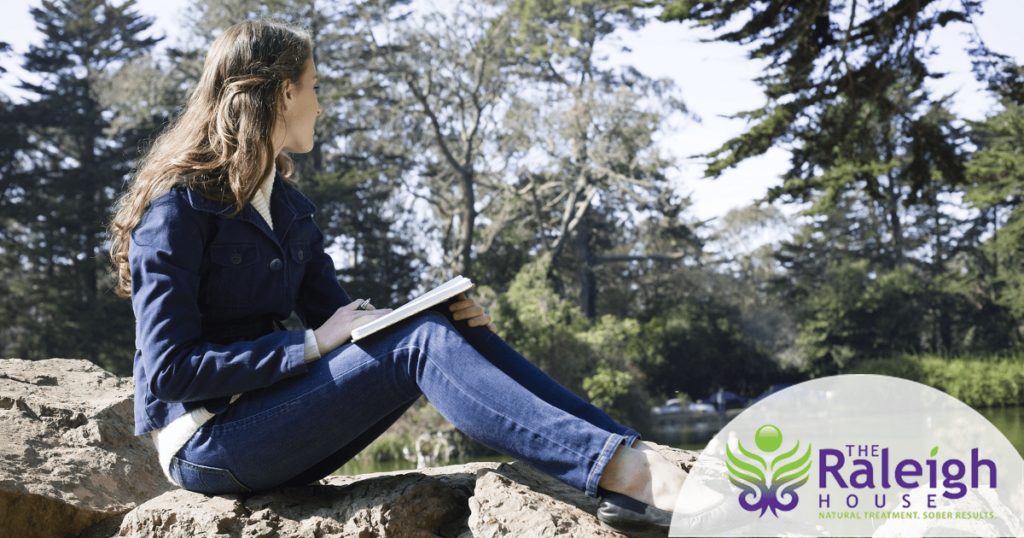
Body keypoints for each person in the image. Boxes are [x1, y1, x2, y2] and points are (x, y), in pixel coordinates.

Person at [108, 18, 687, 535]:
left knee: (441, 326)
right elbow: (168, 373)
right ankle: (626, 471)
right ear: (284, 93)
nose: (320, 104)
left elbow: (358, 331)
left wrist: (437, 315)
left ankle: (627, 455)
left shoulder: (287, 208)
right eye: (314, 87)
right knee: (422, 343)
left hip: (276, 424)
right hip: (208, 445)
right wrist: (308, 344)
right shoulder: (177, 208)